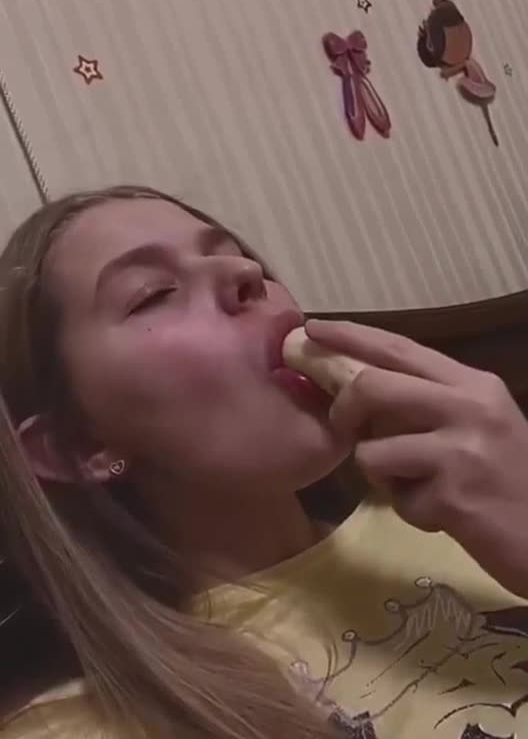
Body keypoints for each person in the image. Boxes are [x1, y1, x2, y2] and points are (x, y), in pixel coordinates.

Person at [1, 184, 528, 739]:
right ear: (78, 445)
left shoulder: (467, 507)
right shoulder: (73, 728)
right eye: (154, 294)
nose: (245, 273)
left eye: (234, 253)